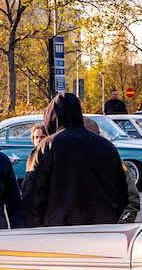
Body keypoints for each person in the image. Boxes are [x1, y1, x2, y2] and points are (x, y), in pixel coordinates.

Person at [21, 93, 127, 227]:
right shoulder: (106, 146)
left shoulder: (48, 146)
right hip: (102, 229)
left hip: (59, 232)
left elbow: (32, 195)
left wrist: (34, 230)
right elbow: (123, 193)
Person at [84, 118, 139, 223]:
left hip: (108, 230)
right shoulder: (71, 161)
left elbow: (131, 199)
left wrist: (121, 224)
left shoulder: (112, 159)